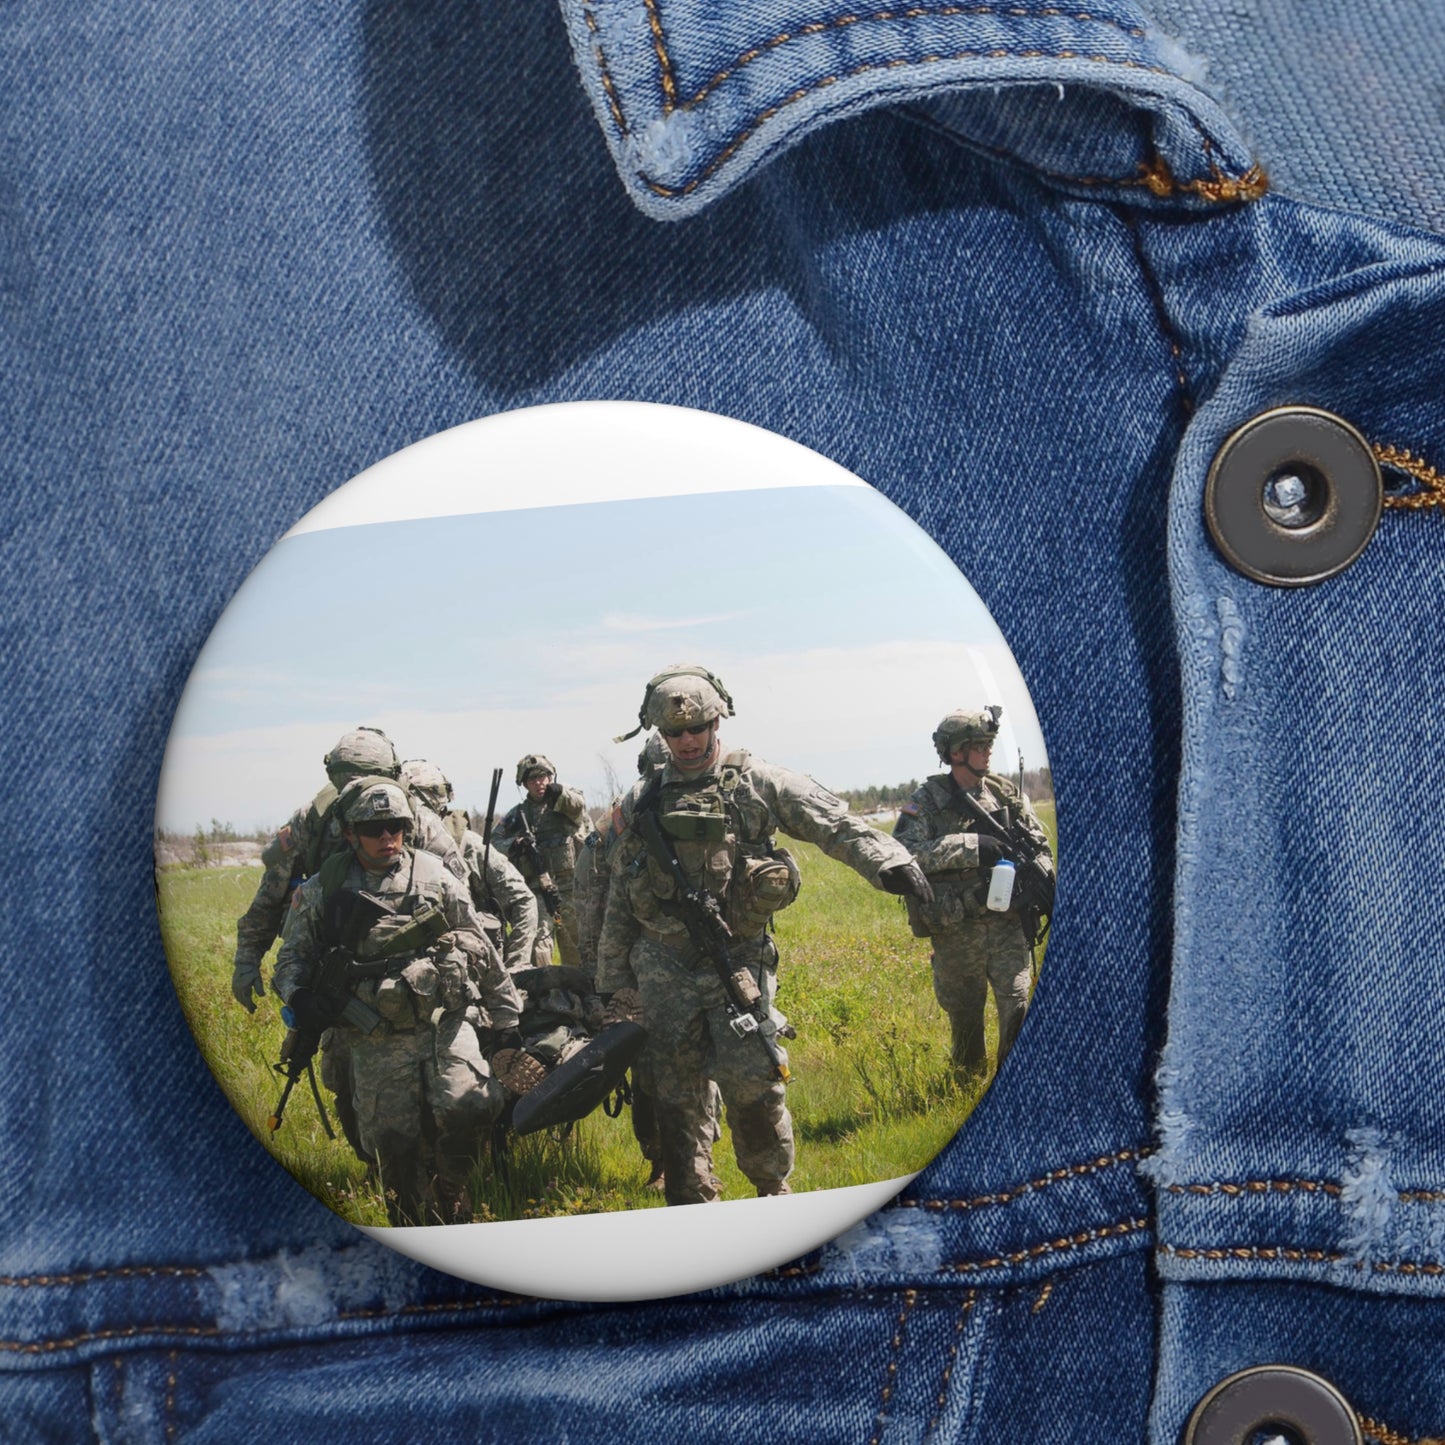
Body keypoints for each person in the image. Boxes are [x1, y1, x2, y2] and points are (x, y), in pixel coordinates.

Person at [597, 664, 933, 1205]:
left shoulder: (756, 781)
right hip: (662, 966)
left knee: (754, 1085)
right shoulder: (642, 800)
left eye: (696, 729)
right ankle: (690, 1200)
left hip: (738, 955)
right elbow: (620, 891)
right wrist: (612, 984)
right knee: (676, 1096)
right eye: (673, 733)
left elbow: (832, 822)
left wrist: (887, 860)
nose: (686, 741)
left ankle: (773, 1194)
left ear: (716, 722)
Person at [272, 779, 523, 1226]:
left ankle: (452, 1182)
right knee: (393, 1143)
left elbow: (478, 944)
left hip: (443, 1019)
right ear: (351, 834)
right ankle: (412, 1227)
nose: (387, 838)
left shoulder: (435, 874)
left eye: (396, 827)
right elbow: (291, 958)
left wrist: (505, 1017)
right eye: (374, 829)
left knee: (473, 1105)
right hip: (373, 1034)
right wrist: (300, 996)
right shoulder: (324, 887)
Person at [894, 707, 1056, 1076]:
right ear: (955, 753)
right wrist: (970, 845)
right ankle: (966, 1087)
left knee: (1017, 1008)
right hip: (957, 928)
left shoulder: (1005, 793)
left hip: (1009, 925)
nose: (987, 752)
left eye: (989, 745)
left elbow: (1039, 845)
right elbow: (903, 852)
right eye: (979, 745)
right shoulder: (927, 800)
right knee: (965, 1019)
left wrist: (1041, 878)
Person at [400, 759, 539, 974]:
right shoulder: (384, 848)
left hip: (474, 970)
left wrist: (515, 966)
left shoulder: (467, 845)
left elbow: (523, 900)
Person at [494, 754, 589, 967]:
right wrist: (515, 844)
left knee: (576, 944)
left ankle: (583, 992)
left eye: (544, 776)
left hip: (570, 889)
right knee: (539, 945)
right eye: (532, 779)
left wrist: (561, 792)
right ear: (524, 784)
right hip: (537, 890)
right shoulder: (518, 815)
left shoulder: (564, 802)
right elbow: (493, 843)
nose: (539, 783)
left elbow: (578, 806)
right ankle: (545, 992)